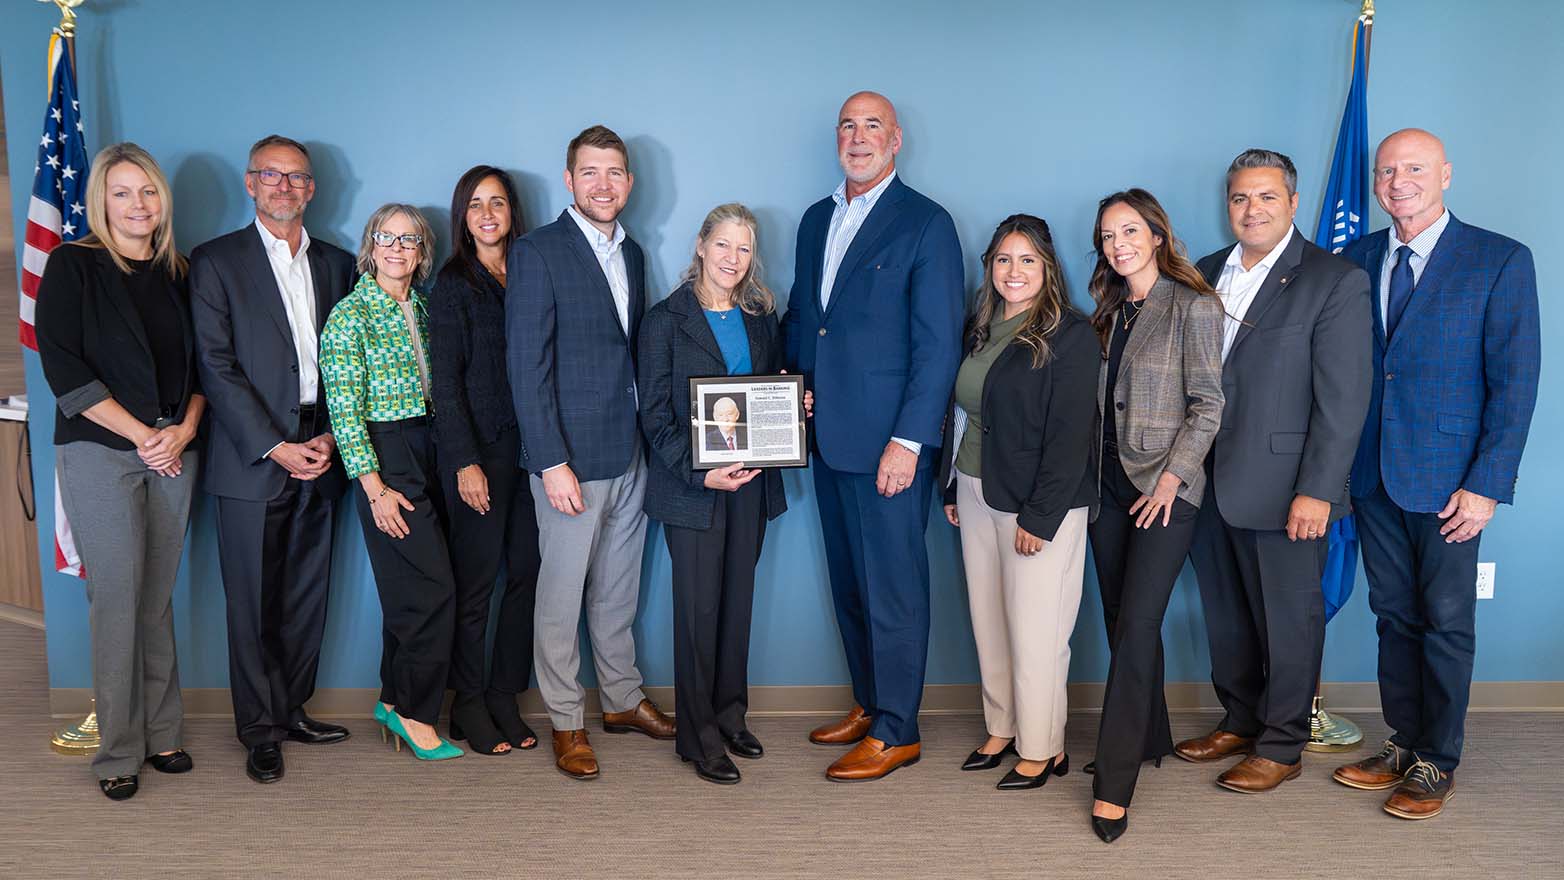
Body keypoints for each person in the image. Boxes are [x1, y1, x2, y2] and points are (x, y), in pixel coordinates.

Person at [1331, 129, 1540, 820]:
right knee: (1393, 616)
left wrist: (1486, 485)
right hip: (1372, 476)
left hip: (1454, 482)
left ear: (1445, 173)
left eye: (1414, 168)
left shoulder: (1499, 259)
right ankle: (1403, 741)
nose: (1399, 181)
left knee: (1446, 621)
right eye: (1387, 171)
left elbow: (1514, 383)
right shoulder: (1356, 259)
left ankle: (1436, 760)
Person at [1178, 149, 1374, 793]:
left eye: (1266, 197)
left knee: (1289, 619)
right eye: (1240, 198)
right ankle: (1239, 719)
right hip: (1207, 482)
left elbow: (1344, 400)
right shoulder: (1204, 272)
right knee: (1226, 613)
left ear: (1292, 202)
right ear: (1226, 205)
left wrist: (1317, 491)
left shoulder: (1332, 278)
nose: (1251, 209)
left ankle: (1284, 743)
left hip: (1289, 487)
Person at [782, 90, 964, 782]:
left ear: (896, 142)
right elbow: (807, 315)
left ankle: (898, 730)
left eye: (873, 127)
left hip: (891, 446)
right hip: (827, 437)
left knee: (893, 588)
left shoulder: (926, 224)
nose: (858, 138)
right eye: (848, 126)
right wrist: (794, 381)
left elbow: (937, 345)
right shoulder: (813, 220)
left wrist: (910, 442)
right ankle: (868, 702)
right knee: (850, 582)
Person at [35, 142, 206, 800]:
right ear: (100, 201)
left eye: (148, 192)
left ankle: (165, 735)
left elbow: (201, 369)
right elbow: (65, 370)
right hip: (101, 452)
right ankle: (116, 753)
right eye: (123, 193)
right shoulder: (72, 266)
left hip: (175, 452)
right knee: (116, 599)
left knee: (155, 598)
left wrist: (183, 430)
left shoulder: (179, 270)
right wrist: (144, 436)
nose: (139, 205)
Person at [507, 125, 674, 781]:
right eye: (590, 172)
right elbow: (527, 365)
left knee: (617, 592)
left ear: (628, 183)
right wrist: (550, 461)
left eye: (615, 173)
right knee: (561, 597)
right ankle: (568, 721)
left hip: (629, 451)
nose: (603, 184)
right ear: (570, 179)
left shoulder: (631, 253)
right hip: (570, 460)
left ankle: (623, 700)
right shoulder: (538, 251)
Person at [189, 135, 357, 785]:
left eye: (296, 178)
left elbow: (351, 363)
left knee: (306, 594)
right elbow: (216, 365)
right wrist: (275, 442)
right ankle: (259, 729)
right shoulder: (216, 262)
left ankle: (291, 710)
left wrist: (334, 438)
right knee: (253, 599)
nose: (284, 186)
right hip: (252, 456)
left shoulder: (340, 266)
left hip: (325, 445)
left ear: (311, 189)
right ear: (250, 183)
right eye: (271, 175)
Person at [638, 204, 804, 784]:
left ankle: (731, 717)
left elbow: (772, 392)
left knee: (737, 606)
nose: (733, 259)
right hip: (695, 490)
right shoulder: (665, 320)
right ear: (702, 246)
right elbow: (654, 416)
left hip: (751, 486)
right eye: (723, 246)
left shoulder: (760, 316)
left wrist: (793, 402)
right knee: (698, 611)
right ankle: (698, 736)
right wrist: (697, 472)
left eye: (744, 249)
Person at [937, 214, 1097, 791]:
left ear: (1048, 267)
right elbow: (961, 415)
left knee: (1037, 630)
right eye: (1003, 259)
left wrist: (1042, 516)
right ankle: (1002, 728)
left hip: (1036, 504)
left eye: (1027, 260)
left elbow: (1071, 434)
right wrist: (953, 486)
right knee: (990, 622)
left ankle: (1042, 747)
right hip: (976, 491)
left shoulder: (1070, 334)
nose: (1014, 271)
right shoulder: (979, 327)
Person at [1085, 189, 1224, 842]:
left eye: (1130, 230)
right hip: (1108, 486)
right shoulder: (1110, 311)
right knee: (1119, 619)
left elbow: (1207, 404)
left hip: (1165, 488)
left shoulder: (1192, 305)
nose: (1119, 244)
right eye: (1108, 236)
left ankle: (1113, 785)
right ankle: (1149, 736)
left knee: (1139, 625)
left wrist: (1174, 477)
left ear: (1159, 234)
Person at [320, 204, 462, 761]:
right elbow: (345, 413)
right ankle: (417, 714)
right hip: (387, 455)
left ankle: (391, 699)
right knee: (433, 591)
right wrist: (374, 489)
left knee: (409, 594)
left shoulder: (425, 309)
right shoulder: (349, 316)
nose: (398, 248)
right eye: (388, 237)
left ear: (423, 251)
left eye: (410, 239)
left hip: (431, 447)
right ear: (371, 246)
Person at [429, 165, 542, 756]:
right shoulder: (452, 282)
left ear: (512, 211)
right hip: (479, 452)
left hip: (535, 452)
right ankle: (467, 701)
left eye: (498, 202)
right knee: (476, 584)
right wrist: (464, 462)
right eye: (476, 204)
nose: (489, 213)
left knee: (526, 575)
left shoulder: (531, 270)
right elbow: (444, 383)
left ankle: (504, 694)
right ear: (463, 216)